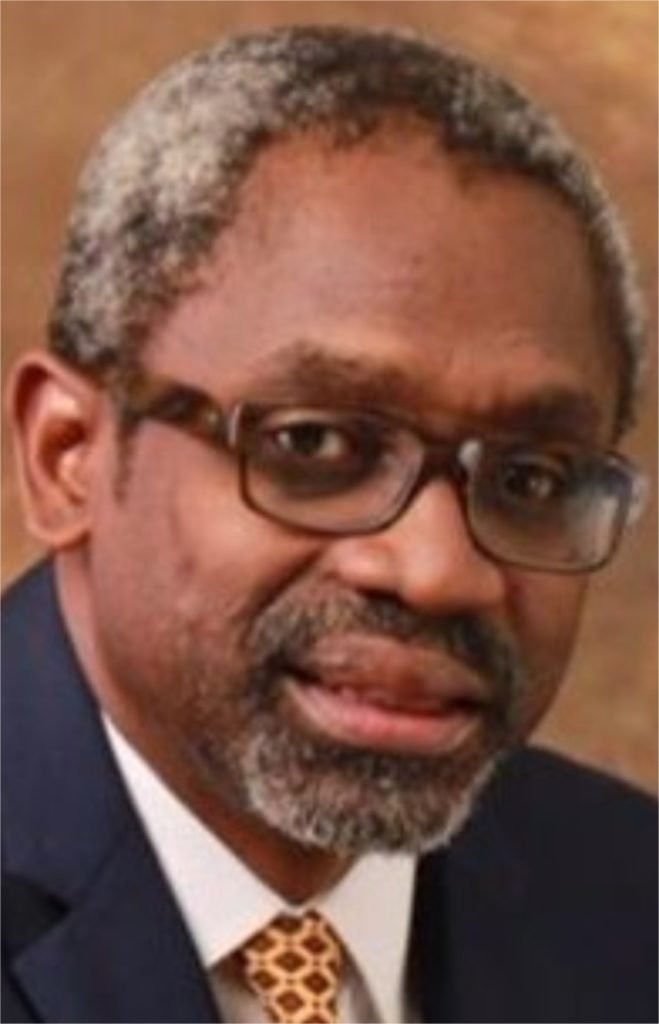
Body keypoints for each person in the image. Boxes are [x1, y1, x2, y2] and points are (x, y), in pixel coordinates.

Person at [2, 24, 656, 1024]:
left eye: (529, 477)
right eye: (313, 445)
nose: (437, 570)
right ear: (67, 454)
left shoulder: (631, 903)